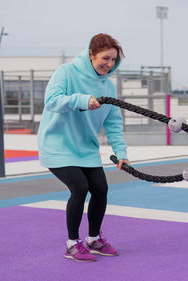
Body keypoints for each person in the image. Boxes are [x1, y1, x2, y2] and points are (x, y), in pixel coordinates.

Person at [37, 33, 130, 262]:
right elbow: (51, 101)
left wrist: (121, 153)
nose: (109, 64)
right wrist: (81, 100)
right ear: (91, 54)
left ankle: (94, 239)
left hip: (85, 147)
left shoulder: (108, 86)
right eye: (105, 58)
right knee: (79, 187)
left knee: (100, 188)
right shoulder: (66, 72)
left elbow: (113, 123)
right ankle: (72, 244)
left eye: (113, 60)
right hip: (57, 144)